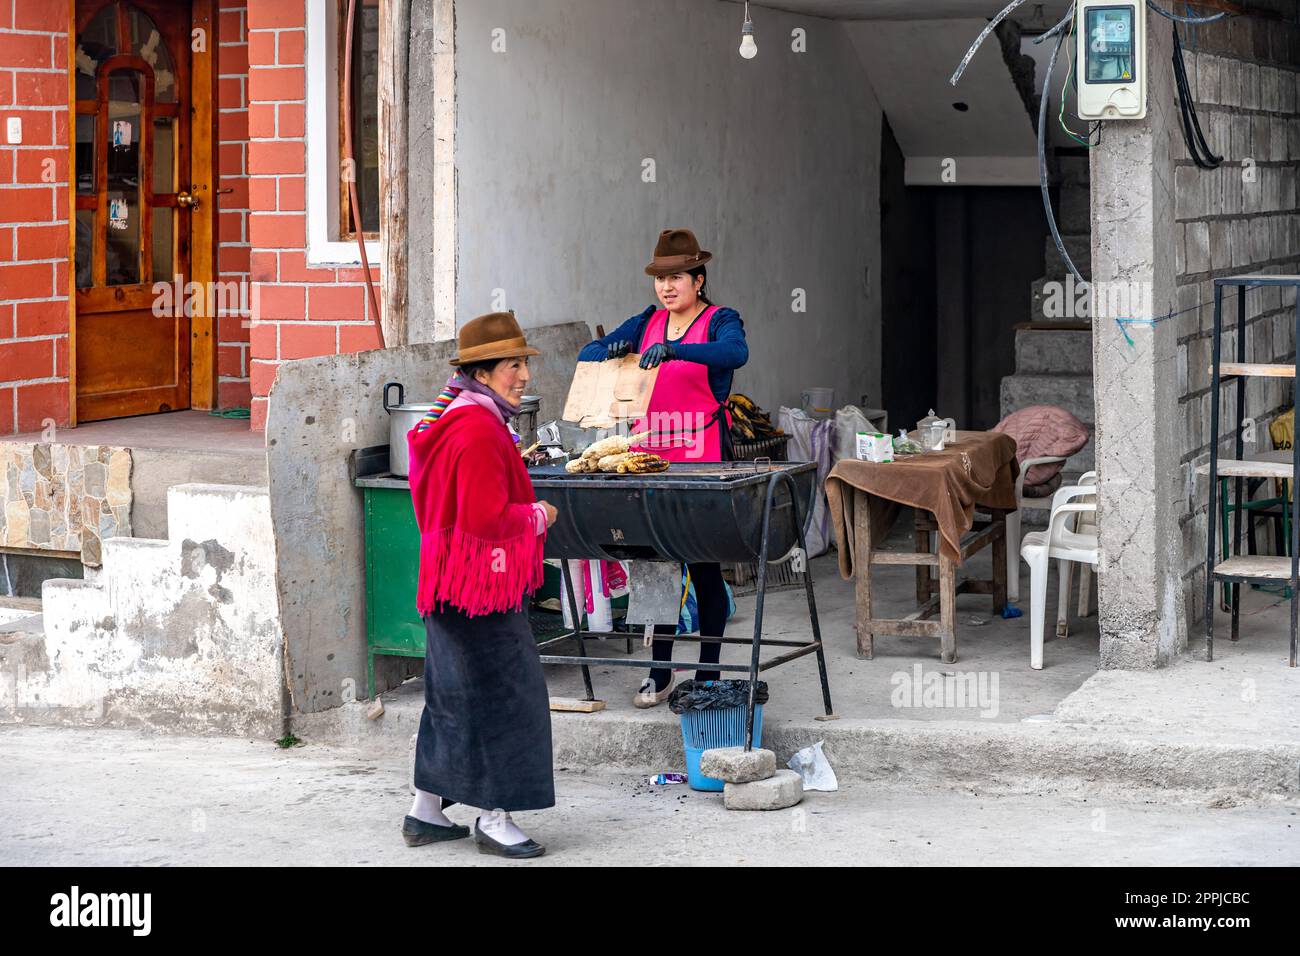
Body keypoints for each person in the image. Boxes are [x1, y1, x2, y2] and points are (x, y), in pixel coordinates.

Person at [401, 311, 559, 860]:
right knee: (507, 696)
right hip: (478, 587)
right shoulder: (475, 429)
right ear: (484, 373)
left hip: (450, 583)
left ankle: (425, 813)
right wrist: (537, 514)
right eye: (513, 365)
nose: (523, 375)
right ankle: (495, 818)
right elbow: (485, 520)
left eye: (522, 364)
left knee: (453, 696)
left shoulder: (461, 416)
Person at [578, 228, 749, 707]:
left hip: (702, 459)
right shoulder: (646, 321)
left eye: (676, 277)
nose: (667, 287)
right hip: (649, 461)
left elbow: (736, 354)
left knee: (704, 564)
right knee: (656, 567)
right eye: (660, 279)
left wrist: (678, 350)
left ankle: (709, 670)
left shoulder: (720, 320)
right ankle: (660, 671)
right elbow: (587, 354)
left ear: (698, 279)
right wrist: (610, 349)